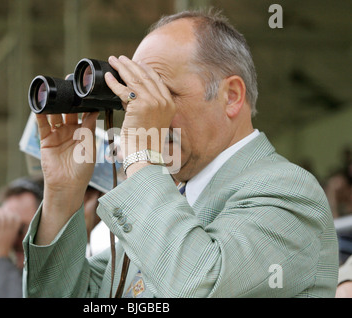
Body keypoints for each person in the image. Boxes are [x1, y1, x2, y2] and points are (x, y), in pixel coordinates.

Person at [23, 9, 339, 298]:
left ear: (231, 96)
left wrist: (139, 156)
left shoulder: (288, 191)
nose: (144, 113)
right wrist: (63, 194)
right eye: (137, 97)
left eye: (163, 94)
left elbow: (198, 286)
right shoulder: (165, 206)